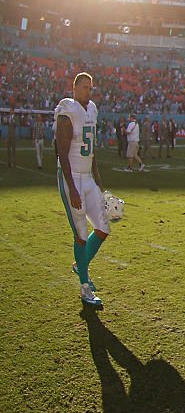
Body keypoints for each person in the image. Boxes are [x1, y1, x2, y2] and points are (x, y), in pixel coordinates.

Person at [55, 73, 109, 307]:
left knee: (103, 226)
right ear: (74, 88)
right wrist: (72, 188)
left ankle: (81, 264)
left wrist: (98, 181)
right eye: (84, 87)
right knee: (80, 233)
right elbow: (62, 152)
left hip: (87, 177)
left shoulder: (92, 110)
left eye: (91, 87)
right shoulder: (67, 110)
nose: (88, 91)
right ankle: (85, 287)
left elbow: (92, 149)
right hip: (72, 178)